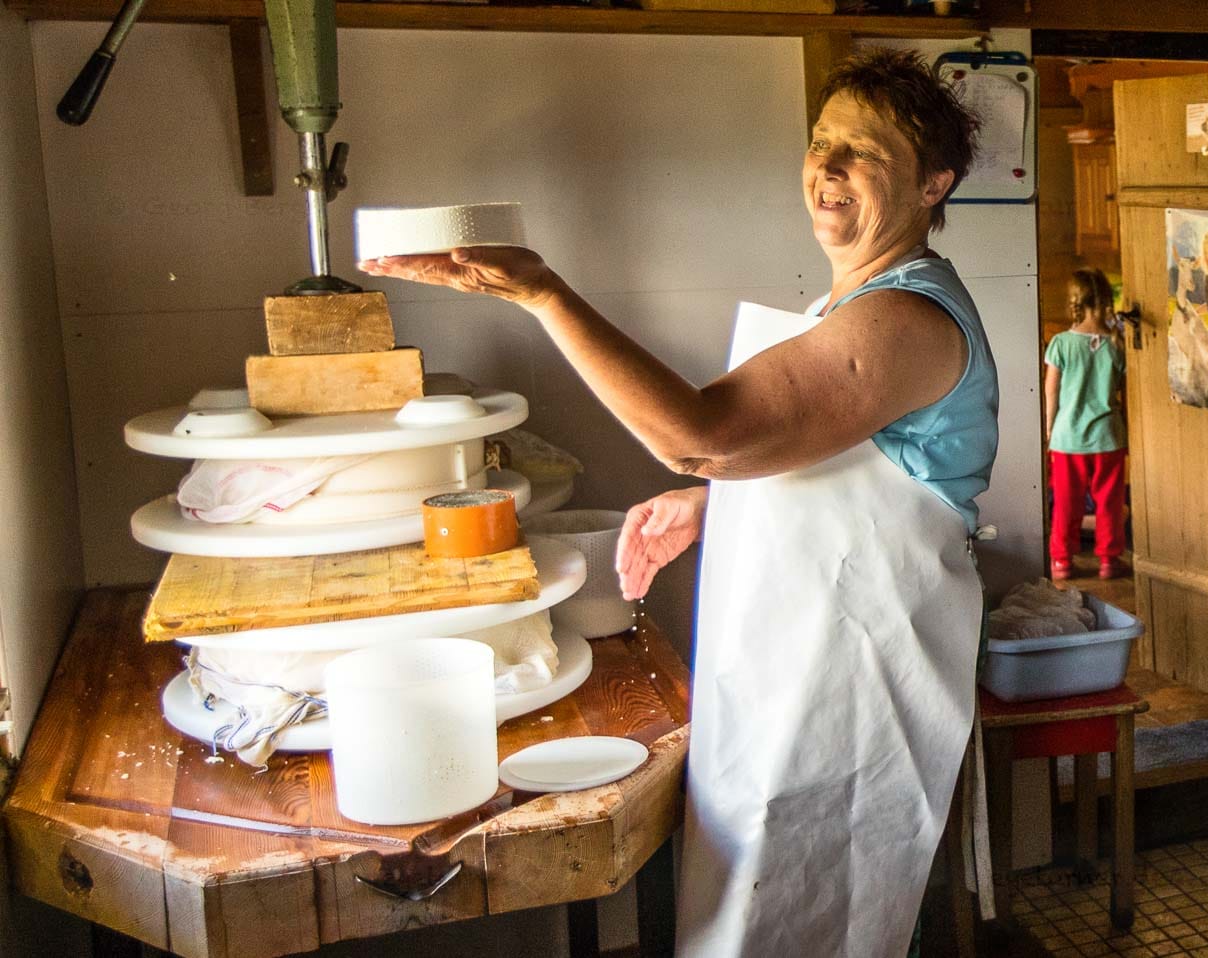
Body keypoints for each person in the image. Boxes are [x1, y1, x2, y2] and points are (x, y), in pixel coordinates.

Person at [360, 47, 998, 958]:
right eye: (822, 144)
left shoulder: (908, 317)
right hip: (793, 667)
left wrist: (544, 292)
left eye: (865, 151)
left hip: (852, 683)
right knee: (751, 911)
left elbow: (703, 434)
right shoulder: (850, 303)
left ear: (934, 184)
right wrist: (715, 506)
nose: (828, 168)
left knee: (807, 917)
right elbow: (830, 465)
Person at [1044, 268, 1127, 581]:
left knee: (1066, 502)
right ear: (1105, 299)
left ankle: (1062, 562)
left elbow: (1051, 390)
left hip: (1068, 438)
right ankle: (1109, 560)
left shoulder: (1062, 344)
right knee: (1110, 502)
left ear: (1075, 301)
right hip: (1109, 436)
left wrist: (1050, 428)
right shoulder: (1117, 344)